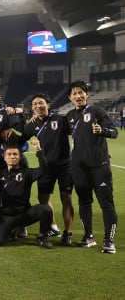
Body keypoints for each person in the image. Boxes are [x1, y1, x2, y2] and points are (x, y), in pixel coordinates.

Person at [65, 80, 118, 253]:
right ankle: (89, 237)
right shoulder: (69, 116)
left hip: (99, 166)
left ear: (87, 94)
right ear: (70, 98)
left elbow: (114, 132)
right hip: (79, 167)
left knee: (106, 204)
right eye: (74, 94)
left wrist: (102, 131)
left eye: (81, 92)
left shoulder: (97, 111)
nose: (78, 96)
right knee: (84, 202)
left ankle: (109, 241)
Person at [20, 93, 74, 245]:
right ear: (32, 108)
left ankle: (68, 233)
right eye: (35, 104)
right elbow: (20, 138)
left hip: (65, 167)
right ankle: (53, 226)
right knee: (43, 199)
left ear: (48, 105)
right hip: (46, 167)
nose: (38, 106)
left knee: (66, 199)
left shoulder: (61, 119)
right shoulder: (31, 125)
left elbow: (78, 132)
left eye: (41, 103)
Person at [0, 141, 54, 249]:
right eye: (9, 154)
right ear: (4, 157)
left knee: (45, 209)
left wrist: (39, 151)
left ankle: (42, 237)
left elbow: (43, 171)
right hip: (6, 216)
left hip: (24, 214)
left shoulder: (27, 173)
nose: (12, 157)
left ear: (20, 157)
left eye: (15, 154)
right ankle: (11, 230)